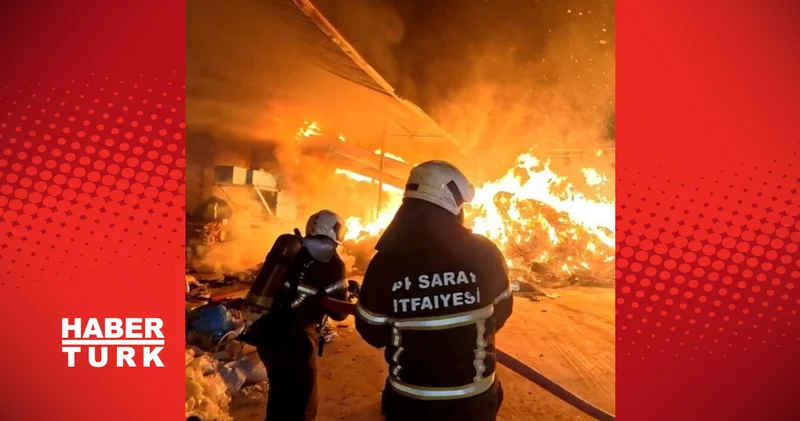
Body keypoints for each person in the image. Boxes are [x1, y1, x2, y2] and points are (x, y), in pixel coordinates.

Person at [355, 161, 514, 421]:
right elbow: (502, 311)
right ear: (451, 201)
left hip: (410, 402)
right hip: (473, 400)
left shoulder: (386, 261)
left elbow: (372, 330)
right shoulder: (484, 251)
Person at [246, 210, 352, 421]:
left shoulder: (295, 250)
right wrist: (349, 292)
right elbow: (339, 313)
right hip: (296, 340)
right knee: (302, 404)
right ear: (334, 230)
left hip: (266, 332)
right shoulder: (332, 262)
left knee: (280, 397)